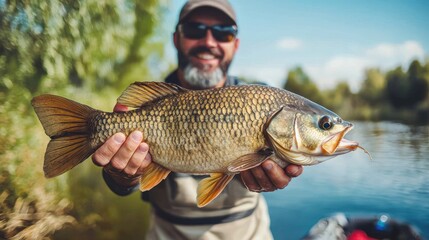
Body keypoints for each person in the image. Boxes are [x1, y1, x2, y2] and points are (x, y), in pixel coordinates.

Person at [92, 0, 303, 239]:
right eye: (195, 30)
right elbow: (123, 187)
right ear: (176, 39)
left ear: (235, 45)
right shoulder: (154, 101)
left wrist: (274, 171)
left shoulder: (262, 100)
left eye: (223, 33)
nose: (209, 42)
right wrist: (122, 176)